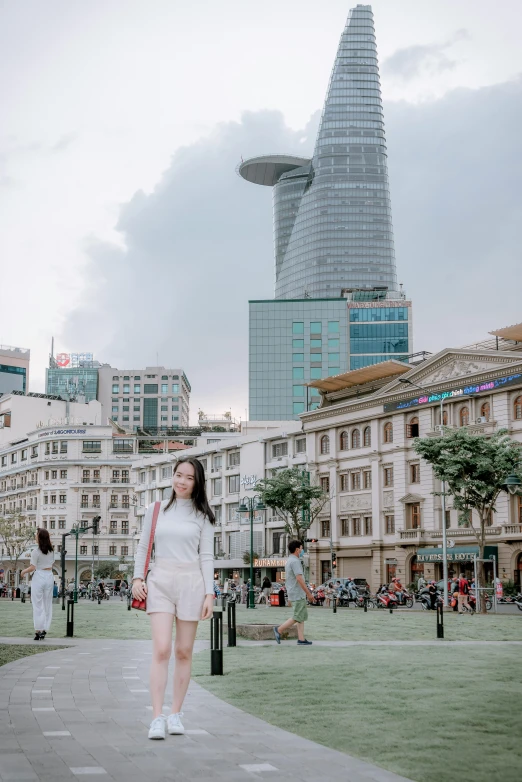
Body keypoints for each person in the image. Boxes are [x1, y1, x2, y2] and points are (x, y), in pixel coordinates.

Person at [131, 457, 215, 741]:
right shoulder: (155, 510)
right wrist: (136, 579)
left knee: (183, 651)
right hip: (160, 582)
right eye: (178, 475)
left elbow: (206, 556)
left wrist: (210, 593)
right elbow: (143, 546)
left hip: (192, 583)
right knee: (163, 649)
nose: (181, 481)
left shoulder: (203, 516)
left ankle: (175, 713)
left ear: (197, 482)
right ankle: (156, 717)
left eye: (188, 477)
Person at [273, 541, 315, 646]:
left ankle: (301, 638)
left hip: (293, 591)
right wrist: (309, 593)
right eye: (301, 548)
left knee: (301, 616)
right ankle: (279, 630)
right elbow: (299, 578)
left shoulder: (289, 561)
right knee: (297, 616)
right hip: (297, 592)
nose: (302, 550)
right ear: (297, 549)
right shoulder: (295, 562)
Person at [20, 528, 55, 640]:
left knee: (37, 604)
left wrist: (23, 571)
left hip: (39, 576)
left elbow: (33, 567)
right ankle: (44, 629)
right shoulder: (51, 551)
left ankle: (38, 630)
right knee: (47, 604)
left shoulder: (36, 552)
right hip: (49, 576)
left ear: (39, 538)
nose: (35, 537)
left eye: (36, 535)